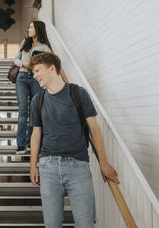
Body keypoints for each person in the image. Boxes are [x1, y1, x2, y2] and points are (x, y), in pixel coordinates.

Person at [28, 53, 119, 228]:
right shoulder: (37, 101)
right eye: (33, 72)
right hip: (48, 168)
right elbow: (36, 135)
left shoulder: (78, 93)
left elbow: (94, 130)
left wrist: (104, 163)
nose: (35, 75)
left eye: (38, 70)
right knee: (52, 225)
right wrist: (33, 165)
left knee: (85, 224)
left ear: (52, 69)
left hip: (78, 167)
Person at [13, 20, 52, 154]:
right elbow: (15, 60)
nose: (28, 29)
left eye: (31, 27)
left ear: (38, 29)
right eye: (28, 27)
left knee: (34, 111)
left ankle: (31, 142)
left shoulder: (45, 48)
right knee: (23, 111)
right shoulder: (24, 43)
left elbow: (49, 64)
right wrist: (23, 63)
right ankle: (20, 144)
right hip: (22, 78)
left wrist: (37, 65)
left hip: (36, 79)